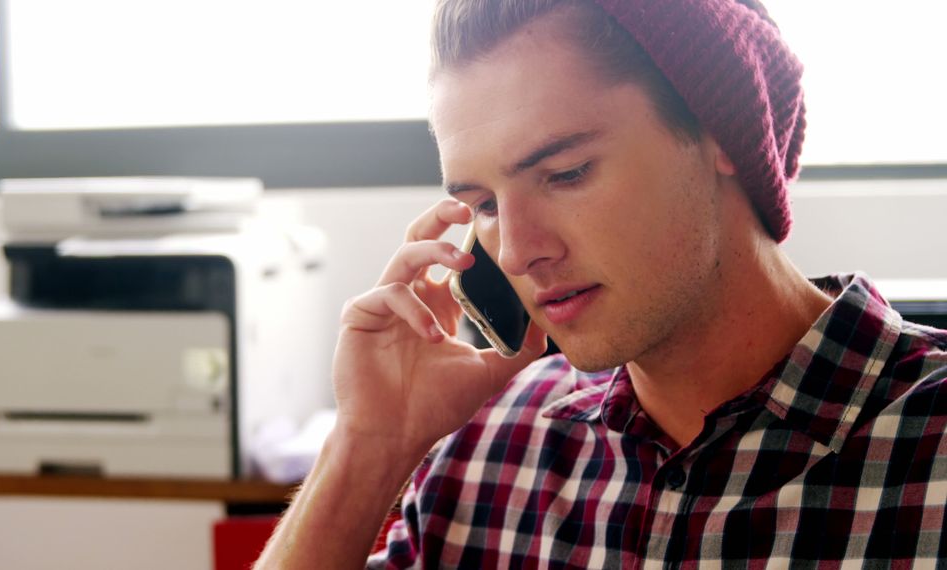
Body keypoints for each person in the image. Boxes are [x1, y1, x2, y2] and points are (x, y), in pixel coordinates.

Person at [256, 0, 947, 567]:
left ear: (724, 138)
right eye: (486, 206)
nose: (518, 251)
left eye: (565, 174)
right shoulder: (492, 446)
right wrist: (370, 444)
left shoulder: (929, 446)